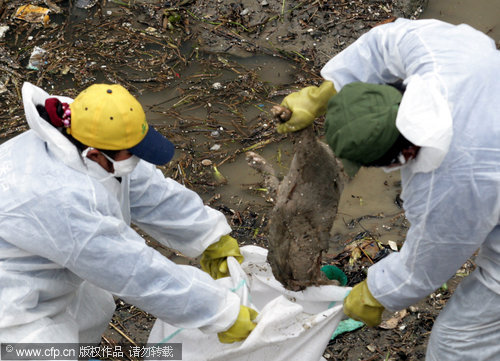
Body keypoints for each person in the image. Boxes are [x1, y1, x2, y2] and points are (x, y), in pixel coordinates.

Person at [275, 18, 500, 360]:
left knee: (456, 345)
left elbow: (427, 264)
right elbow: (386, 40)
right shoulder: (442, 57)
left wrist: (376, 294)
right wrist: (323, 93)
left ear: (403, 156)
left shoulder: (450, 183)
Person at [0, 82, 257, 345]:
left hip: (43, 260)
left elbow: (144, 187)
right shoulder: (62, 201)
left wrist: (209, 235)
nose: (136, 159)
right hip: (10, 301)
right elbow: (135, 273)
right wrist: (222, 313)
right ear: (96, 155)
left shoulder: (81, 127)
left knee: (90, 308)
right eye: (131, 153)